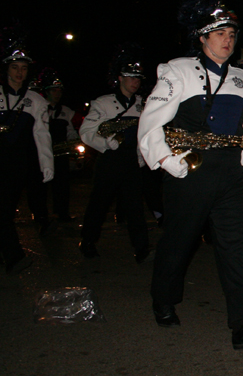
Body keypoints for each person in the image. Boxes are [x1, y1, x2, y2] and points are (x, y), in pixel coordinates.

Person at [138, 0, 243, 350]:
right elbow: (150, 122)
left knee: (238, 249)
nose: (227, 40)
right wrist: (168, 161)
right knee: (179, 242)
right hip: (191, 173)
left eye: (231, 33)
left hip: (231, 175)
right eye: (219, 33)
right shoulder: (178, 71)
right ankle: (163, 299)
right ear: (202, 38)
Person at [79, 46, 151, 264]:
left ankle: (142, 249)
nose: (135, 82)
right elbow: (86, 132)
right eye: (130, 77)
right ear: (119, 78)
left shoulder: (143, 105)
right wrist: (105, 143)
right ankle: (88, 242)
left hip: (131, 161)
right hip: (110, 160)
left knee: (135, 208)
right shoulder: (102, 103)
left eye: (138, 78)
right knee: (98, 205)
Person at [0, 34, 53, 274]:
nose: (19, 73)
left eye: (23, 68)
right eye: (14, 67)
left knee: (4, 212)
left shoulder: (36, 101)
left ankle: (14, 257)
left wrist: (46, 164)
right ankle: (13, 256)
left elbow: (42, 136)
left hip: (15, 165)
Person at [39, 68, 80, 224]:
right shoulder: (40, 109)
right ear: (47, 92)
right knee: (41, 186)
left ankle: (62, 212)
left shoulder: (66, 111)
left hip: (60, 153)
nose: (57, 93)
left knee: (62, 186)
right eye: (54, 90)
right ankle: (41, 214)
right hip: (43, 152)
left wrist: (73, 141)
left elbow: (70, 131)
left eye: (59, 90)